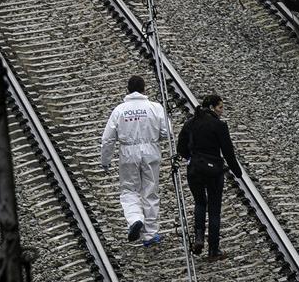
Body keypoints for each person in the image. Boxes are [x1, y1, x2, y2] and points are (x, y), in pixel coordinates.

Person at [101, 75, 171, 247]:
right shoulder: (155, 107)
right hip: (151, 150)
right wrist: (154, 138)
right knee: (150, 191)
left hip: (128, 152)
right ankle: (150, 234)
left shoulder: (120, 110)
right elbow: (167, 132)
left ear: (128, 89)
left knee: (129, 190)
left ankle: (135, 219)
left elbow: (108, 139)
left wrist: (106, 160)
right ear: (144, 89)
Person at [176, 94, 241, 260]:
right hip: (214, 171)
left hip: (195, 169)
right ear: (212, 107)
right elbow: (228, 152)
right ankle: (213, 250)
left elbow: (180, 148)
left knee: (199, 202)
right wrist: (237, 172)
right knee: (214, 209)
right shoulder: (219, 125)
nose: (222, 111)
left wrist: (192, 158)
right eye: (220, 107)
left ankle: (198, 238)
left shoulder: (190, 123)